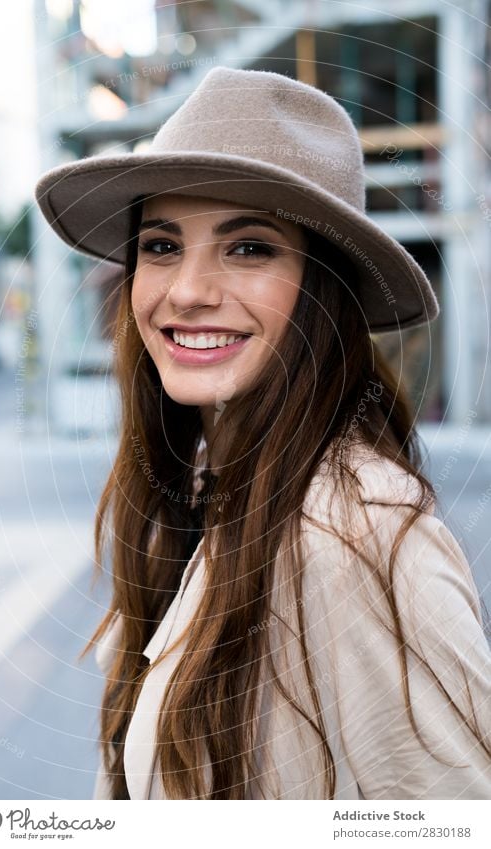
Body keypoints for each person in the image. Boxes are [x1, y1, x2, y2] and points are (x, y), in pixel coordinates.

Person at [34, 66, 491, 800]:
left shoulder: (352, 537)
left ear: (323, 287)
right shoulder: (208, 486)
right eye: (161, 245)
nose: (186, 290)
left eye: (249, 247)